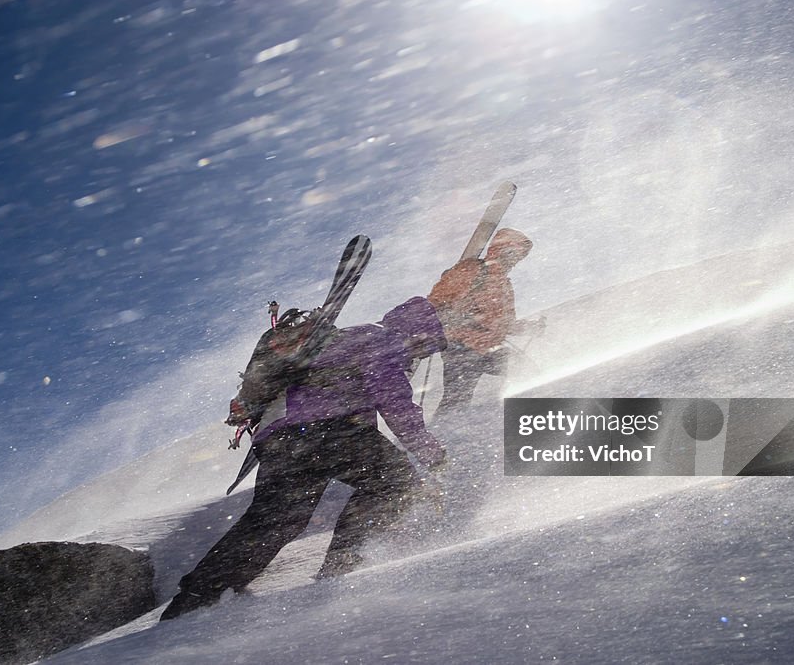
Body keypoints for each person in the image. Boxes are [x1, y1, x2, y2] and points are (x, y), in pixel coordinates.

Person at [161, 297, 447, 621]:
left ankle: (199, 596)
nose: (421, 358)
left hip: (279, 438)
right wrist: (431, 454)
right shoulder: (381, 339)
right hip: (333, 430)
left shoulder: (337, 339)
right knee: (398, 483)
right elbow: (395, 404)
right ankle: (342, 567)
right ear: (418, 333)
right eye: (425, 349)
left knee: (276, 522)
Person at [427, 228, 537, 413]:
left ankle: (513, 414)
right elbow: (435, 301)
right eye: (513, 254)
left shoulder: (504, 285)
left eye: (518, 257)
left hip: (488, 348)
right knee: (457, 398)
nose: (515, 261)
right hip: (461, 346)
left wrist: (530, 327)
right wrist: (452, 316)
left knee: (525, 369)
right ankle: (446, 432)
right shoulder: (471, 269)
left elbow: (506, 325)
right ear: (500, 250)